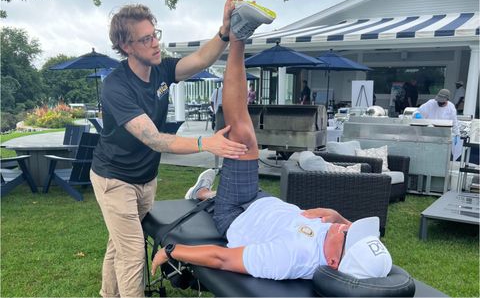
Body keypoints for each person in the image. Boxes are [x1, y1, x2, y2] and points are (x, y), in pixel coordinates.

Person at [151, 18, 393, 282]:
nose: (345, 228)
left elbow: (223, 258)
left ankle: (238, 38)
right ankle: (201, 193)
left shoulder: (290, 258)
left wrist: (173, 251)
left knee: (242, 134)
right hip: (264, 203)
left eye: (346, 235)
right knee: (227, 181)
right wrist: (337, 216)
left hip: (234, 215)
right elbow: (348, 228)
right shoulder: (339, 241)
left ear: (334, 262)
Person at [90, 0, 251, 297]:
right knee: (133, 251)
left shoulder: (162, 69)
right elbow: (154, 139)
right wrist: (206, 144)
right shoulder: (116, 87)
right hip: (114, 179)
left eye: (155, 34)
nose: (155, 43)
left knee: (120, 243)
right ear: (126, 46)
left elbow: (202, 60)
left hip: (145, 179)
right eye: (146, 39)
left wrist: (223, 31)